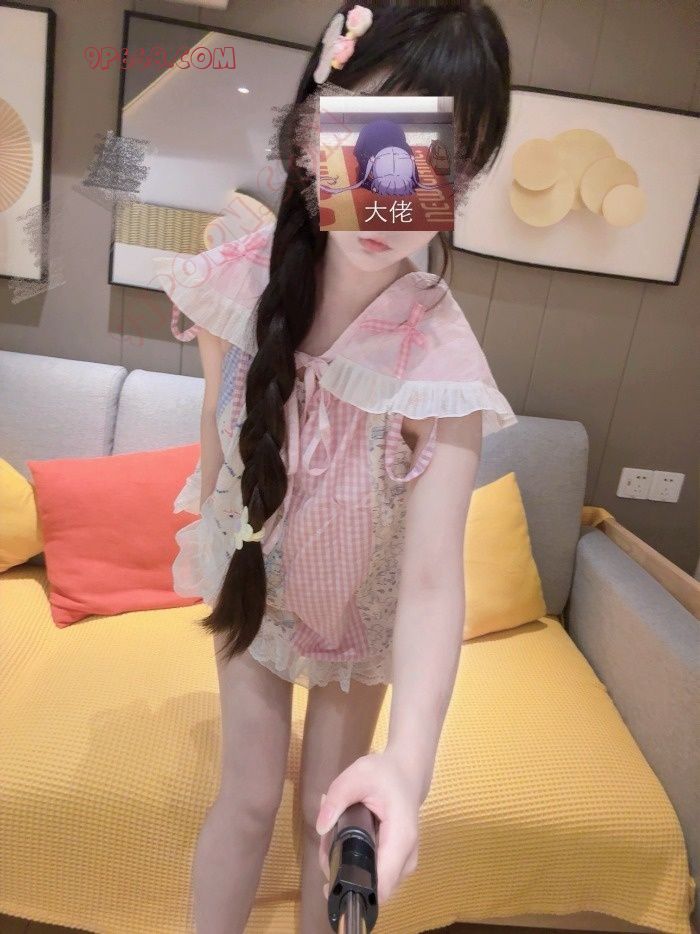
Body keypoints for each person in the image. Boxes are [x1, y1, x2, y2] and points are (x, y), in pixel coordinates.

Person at [153, 2, 516, 931]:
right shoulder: (238, 285)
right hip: (254, 584)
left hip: (358, 619)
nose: (394, 177)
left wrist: (409, 765)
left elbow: (433, 583)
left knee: (332, 819)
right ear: (316, 127)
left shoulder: (441, 366)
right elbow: (216, 434)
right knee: (245, 801)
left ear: (462, 175)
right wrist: (218, 538)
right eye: (375, 130)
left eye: (436, 153)